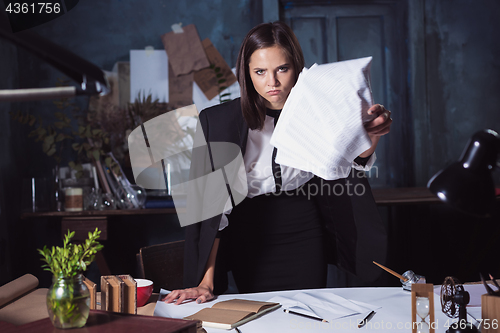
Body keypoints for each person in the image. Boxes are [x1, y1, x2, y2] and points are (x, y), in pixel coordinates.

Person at [164, 21, 392, 305]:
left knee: (307, 312)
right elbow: (211, 213)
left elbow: (351, 165)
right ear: (246, 73)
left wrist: (371, 136)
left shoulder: (321, 114)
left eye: (282, 69)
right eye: (260, 72)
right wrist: (205, 282)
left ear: (296, 67)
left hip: (304, 225)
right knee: (260, 314)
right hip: (250, 231)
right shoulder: (217, 122)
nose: (271, 82)